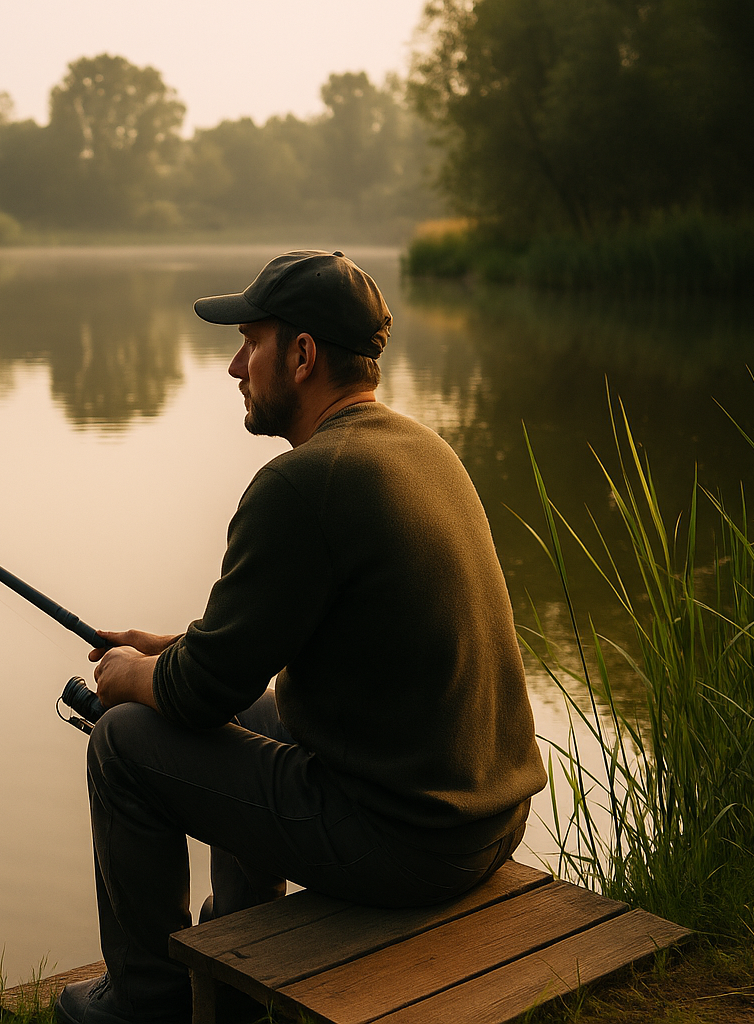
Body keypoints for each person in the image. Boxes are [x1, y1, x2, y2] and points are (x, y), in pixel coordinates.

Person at [54, 251, 547, 1024]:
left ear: (304, 353)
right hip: (486, 822)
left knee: (122, 741)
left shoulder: (302, 484)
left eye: (251, 341)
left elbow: (192, 693)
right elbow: (269, 641)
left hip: (410, 847)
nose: (234, 366)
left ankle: (145, 1003)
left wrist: (131, 676)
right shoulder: (419, 450)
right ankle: (236, 955)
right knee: (254, 712)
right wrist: (175, 646)